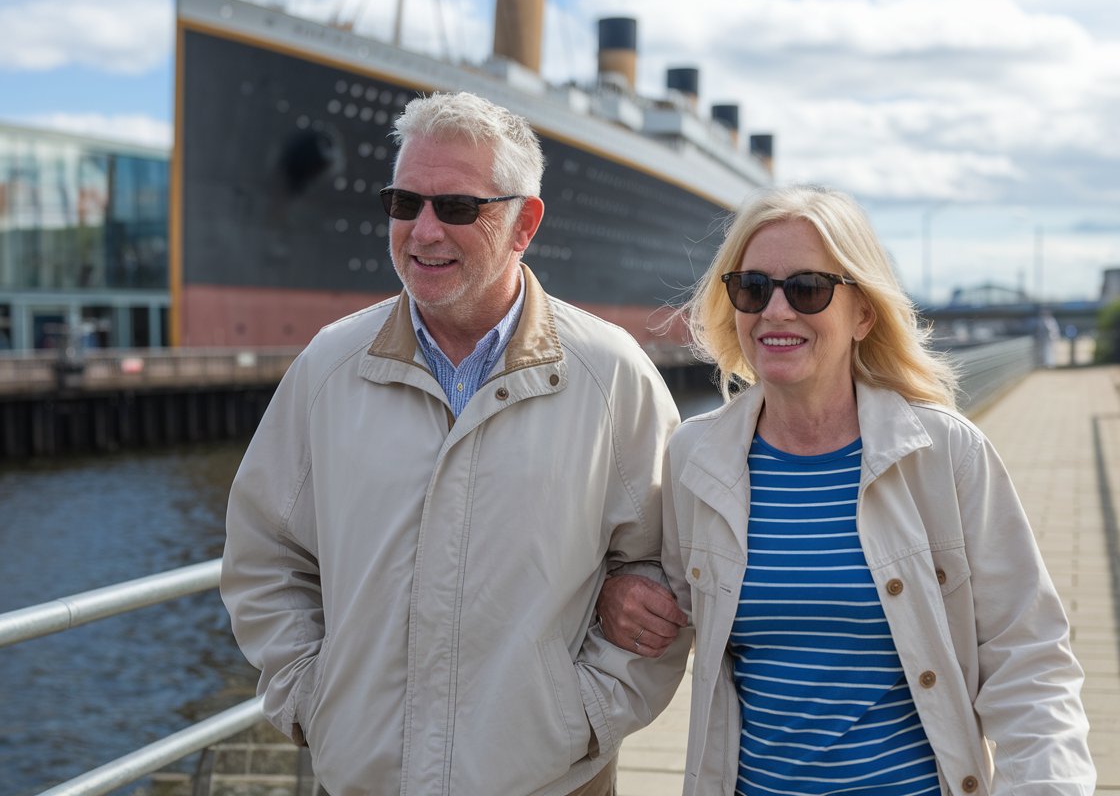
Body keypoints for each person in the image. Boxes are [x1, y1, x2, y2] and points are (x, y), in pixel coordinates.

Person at [220, 91, 690, 796]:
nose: (423, 230)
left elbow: (670, 566)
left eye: (457, 208)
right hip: (359, 781)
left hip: (551, 784)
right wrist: (314, 702)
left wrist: (585, 717)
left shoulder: (608, 374)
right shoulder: (329, 367)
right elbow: (265, 555)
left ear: (523, 223)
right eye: (404, 203)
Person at [599, 184, 1095, 794]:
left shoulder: (943, 455)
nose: (776, 311)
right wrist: (618, 589)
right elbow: (669, 596)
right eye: (753, 288)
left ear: (863, 313)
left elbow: (1030, 663)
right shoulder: (695, 457)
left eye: (808, 288)